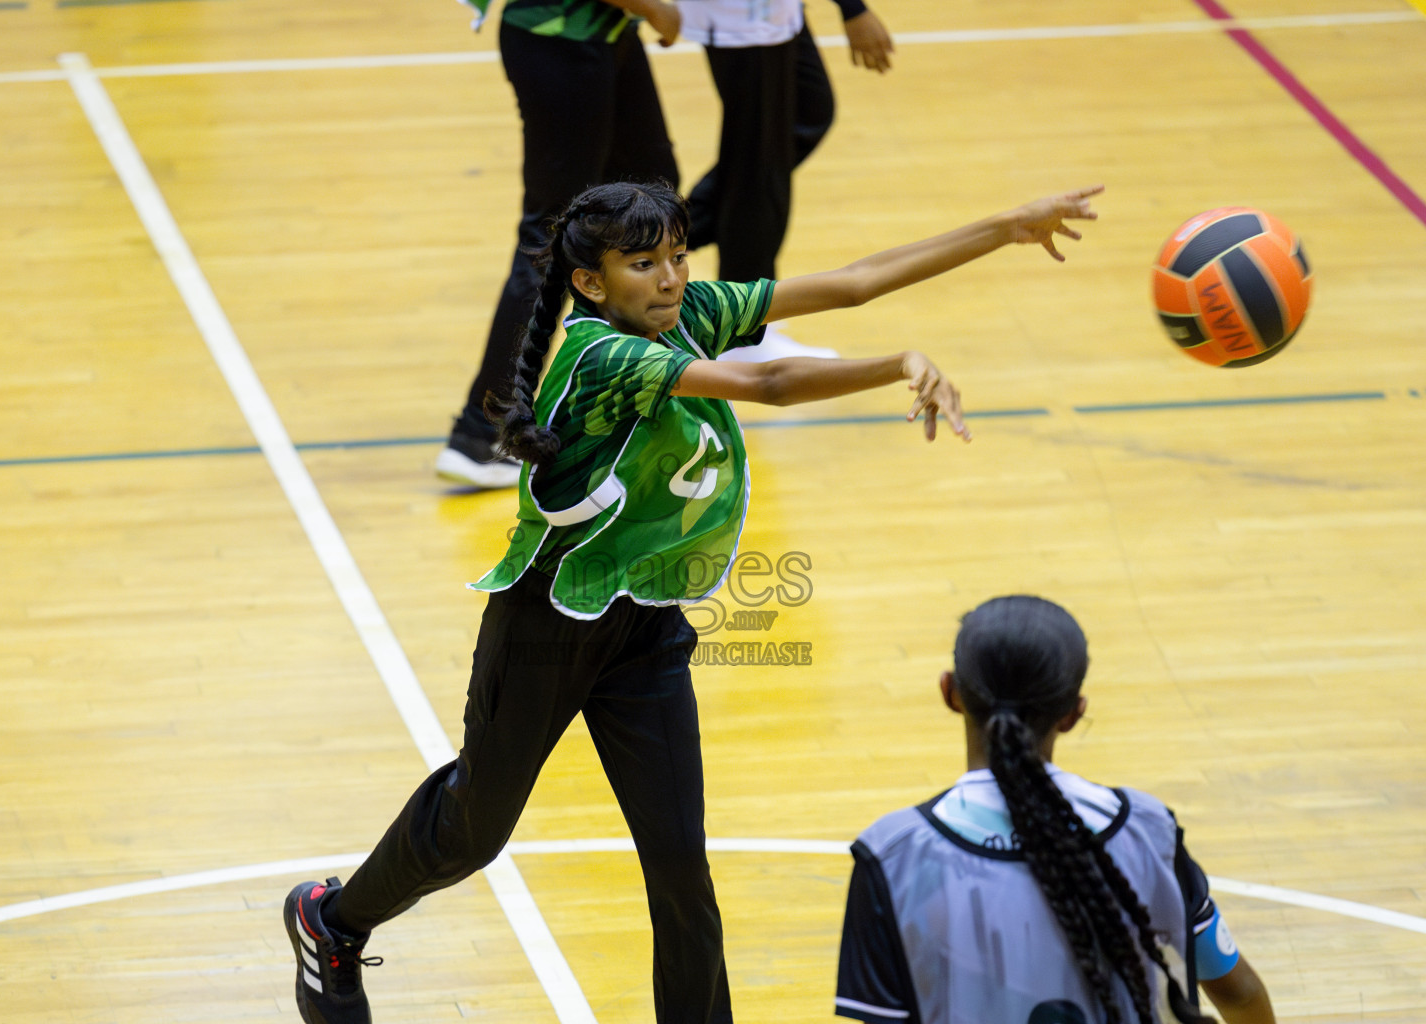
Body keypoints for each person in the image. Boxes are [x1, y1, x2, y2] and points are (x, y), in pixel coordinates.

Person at [285, 179, 1103, 1024]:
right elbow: (776, 383)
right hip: (547, 622)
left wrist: (1005, 226)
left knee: (682, 873)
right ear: (591, 284)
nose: (671, 278)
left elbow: (856, 279)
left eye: (678, 256)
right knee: (474, 831)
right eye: (644, 264)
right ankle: (333, 923)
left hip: (644, 627)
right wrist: (897, 363)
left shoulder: (686, 313)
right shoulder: (606, 354)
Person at [834, 595, 1279, 1024]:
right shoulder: (1146, 830)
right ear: (1071, 714)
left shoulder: (893, 856)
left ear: (950, 693)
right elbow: (1241, 995)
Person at [435, 0, 687, 489]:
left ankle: (621, 396)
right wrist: (657, 10)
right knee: (549, 238)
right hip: (561, 40)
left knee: (647, 199)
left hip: (607, 32)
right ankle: (481, 433)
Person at [680, 0, 898, 362]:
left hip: (776, 11)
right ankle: (741, 334)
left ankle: (661, 237)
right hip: (745, 15)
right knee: (757, 164)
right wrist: (852, 8)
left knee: (806, 112)